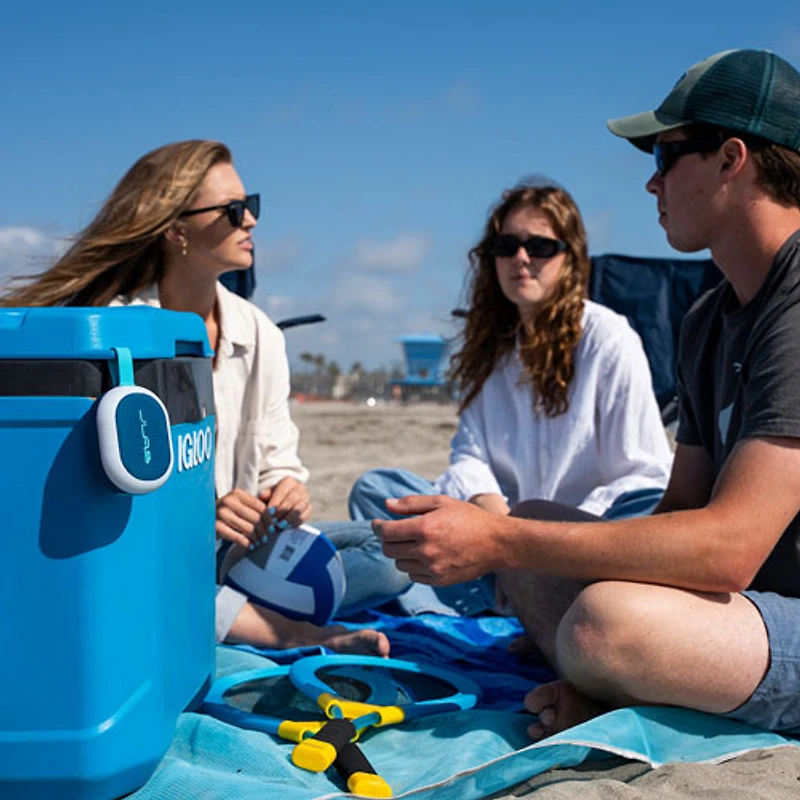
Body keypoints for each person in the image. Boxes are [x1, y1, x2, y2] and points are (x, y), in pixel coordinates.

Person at [374, 48, 800, 739]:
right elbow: (681, 510)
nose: (651, 183)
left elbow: (729, 549)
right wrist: (516, 540)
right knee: (540, 528)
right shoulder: (708, 320)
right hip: (744, 603)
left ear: (731, 159)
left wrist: (501, 540)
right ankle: (608, 683)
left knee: (602, 619)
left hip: (776, 604)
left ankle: (609, 679)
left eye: (665, 156)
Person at [1, 140, 407, 654]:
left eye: (251, 205)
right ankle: (292, 633)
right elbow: (107, 505)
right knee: (141, 577)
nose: (251, 221)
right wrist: (204, 513)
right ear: (176, 230)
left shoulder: (260, 333)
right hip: (155, 553)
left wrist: (286, 491)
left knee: (391, 558)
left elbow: (279, 458)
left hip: (241, 552)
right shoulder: (121, 334)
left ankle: (234, 615)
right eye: (233, 210)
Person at [350, 182, 672, 615]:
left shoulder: (607, 338)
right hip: (496, 542)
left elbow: (643, 473)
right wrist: (499, 532)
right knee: (378, 490)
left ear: (570, 257)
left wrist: (532, 546)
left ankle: (503, 599)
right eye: (506, 246)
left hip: (579, 548)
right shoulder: (492, 348)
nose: (521, 258)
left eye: (539, 246)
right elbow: (469, 457)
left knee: (648, 509)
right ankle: (514, 599)